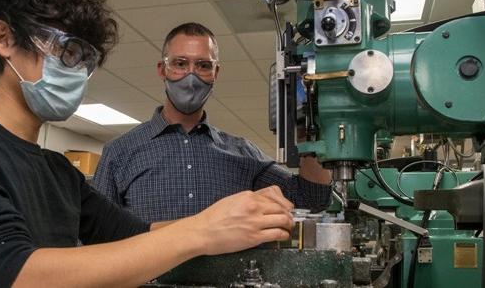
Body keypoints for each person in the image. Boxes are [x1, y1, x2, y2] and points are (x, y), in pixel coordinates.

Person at [0, 0, 295, 288]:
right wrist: (203, 232)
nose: (76, 72)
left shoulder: (57, 172)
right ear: (3, 38)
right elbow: (15, 273)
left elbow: (139, 235)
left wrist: (237, 218)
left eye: (84, 61)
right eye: (66, 52)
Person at [93, 23, 331, 223]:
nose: (191, 75)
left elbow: (311, 199)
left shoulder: (243, 155)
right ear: (162, 70)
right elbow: (93, 237)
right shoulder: (119, 153)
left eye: (203, 66)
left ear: (215, 73)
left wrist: (307, 120)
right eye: (180, 63)